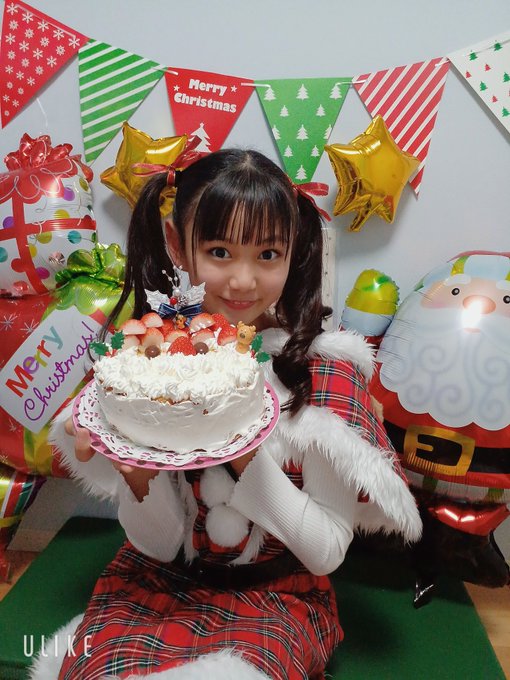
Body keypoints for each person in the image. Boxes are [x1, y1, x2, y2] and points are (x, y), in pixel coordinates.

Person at [34, 148, 421, 680]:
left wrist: (241, 450)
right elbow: (159, 545)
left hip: (278, 596)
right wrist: (138, 478)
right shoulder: (156, 364)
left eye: (268, 254)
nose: (243, 280)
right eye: (219, 251)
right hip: (159, 584)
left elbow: (327, 552)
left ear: (294, 251)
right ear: (178, 245)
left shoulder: (321, 374)